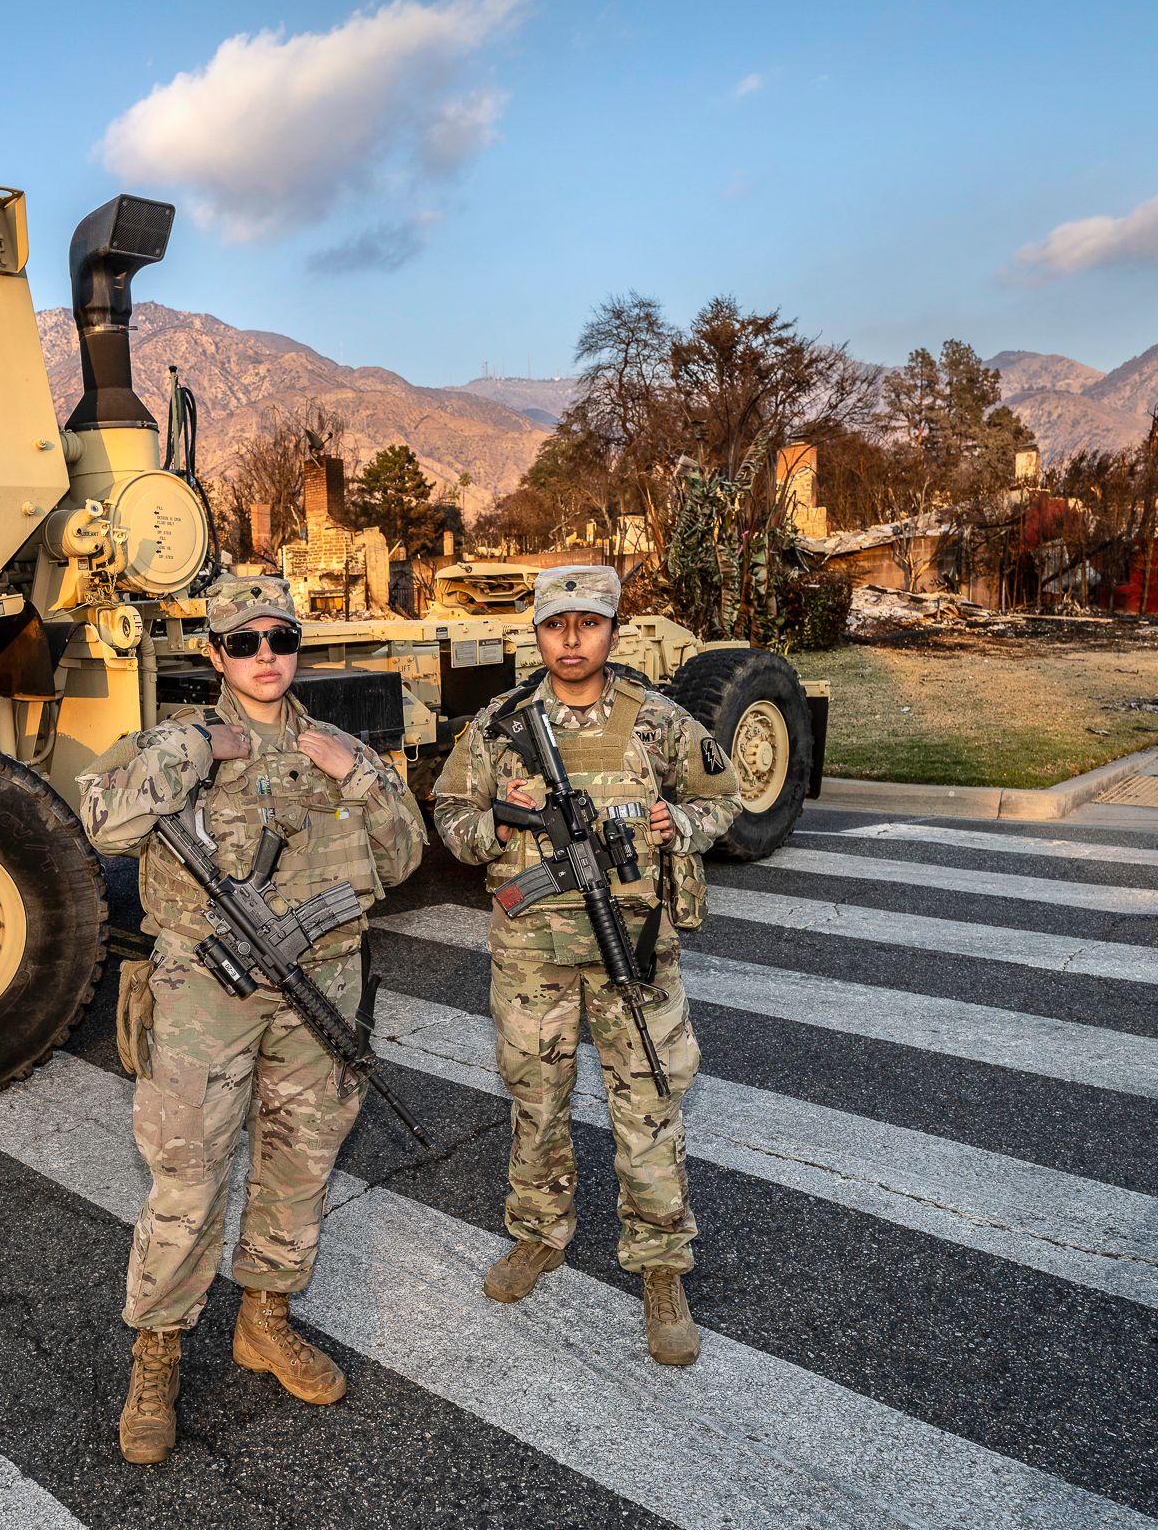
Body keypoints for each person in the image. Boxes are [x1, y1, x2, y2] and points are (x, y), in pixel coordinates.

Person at [77, 574, 427, 1464]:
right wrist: (197, 744)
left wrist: (364, 775)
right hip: (205, 992)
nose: (266, 655)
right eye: (245, 641)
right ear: (215, 652)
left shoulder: (339, 746)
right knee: (189, 1175)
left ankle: (264, 1322)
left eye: (280, 638)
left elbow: (406, 855)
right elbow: (103, 817)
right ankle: (156, 1353)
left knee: (299, 1161)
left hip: (320, 991)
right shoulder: (177, 743)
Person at [430, 565, 739, 1365]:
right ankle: (538, 1233)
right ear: (535, 633)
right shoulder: (500, 725)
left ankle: (662, 1263)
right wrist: (501, 830)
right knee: (536, 1100)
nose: (572, 640)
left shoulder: (657, 720)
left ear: (613, 629)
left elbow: (724, 796)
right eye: (556, 624)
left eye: (589, 623)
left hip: (633, 945)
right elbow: (450, 813)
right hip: (533, 952)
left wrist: (683, 822)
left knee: (649, 1105)